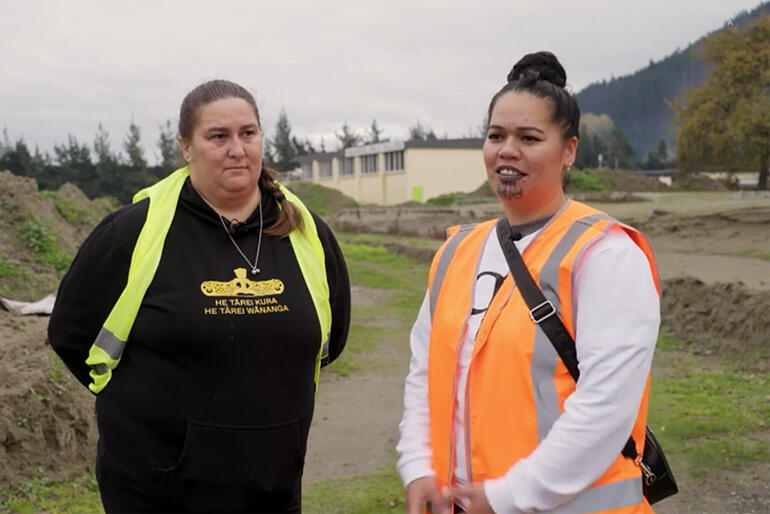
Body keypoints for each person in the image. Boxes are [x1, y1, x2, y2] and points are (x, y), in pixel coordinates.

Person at [48, 79, 351, 513]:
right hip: (158, 489)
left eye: (248, 133)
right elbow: (70, 332)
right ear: (186, 147)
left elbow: (330, 337)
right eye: (218, 136)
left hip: (273, 487)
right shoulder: (133, 232)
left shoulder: (307, 233)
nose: (237, 149)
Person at [397, 52, 660, 513]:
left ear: (569, 151)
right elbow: (426, 374)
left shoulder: (606, 257)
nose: (506, 150)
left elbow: (605, 408)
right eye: (496, 135)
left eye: (529, 137)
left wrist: (507, 496)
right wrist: (418, 464)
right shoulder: (457, 254)